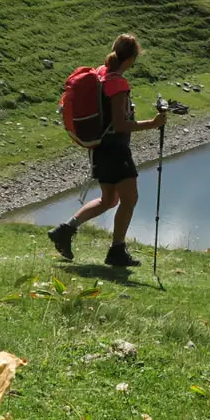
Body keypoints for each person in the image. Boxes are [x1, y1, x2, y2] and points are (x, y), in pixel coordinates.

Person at [49, 34, 166, 267]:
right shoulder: (118, 83)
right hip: (115, 148)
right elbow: (121, 124)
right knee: (129, 199)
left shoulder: (102, 73)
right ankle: (117, 250)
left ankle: (65, 230)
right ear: (132, 59)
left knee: (109, 199)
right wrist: (153, 124)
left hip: (100, 148)